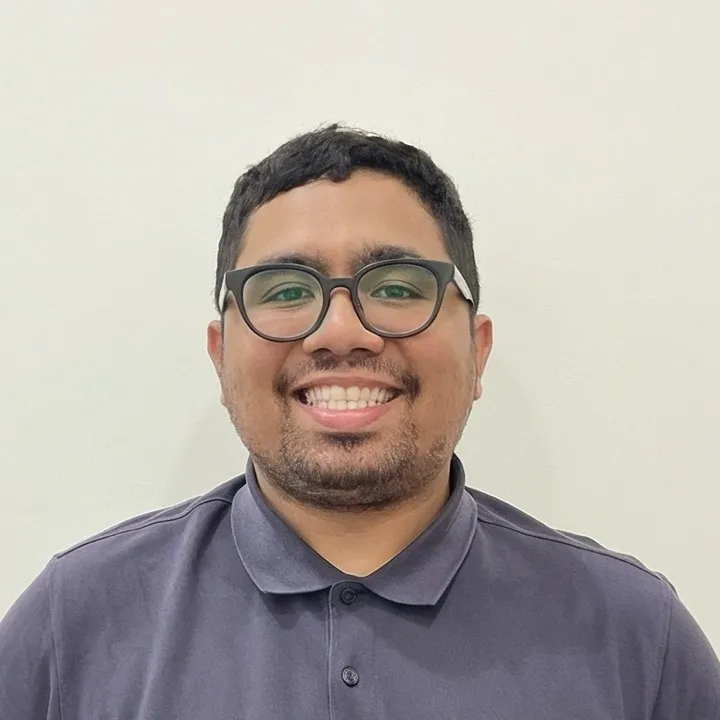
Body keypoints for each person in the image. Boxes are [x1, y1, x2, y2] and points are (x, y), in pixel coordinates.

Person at [1, 125, 718, 719]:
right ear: (220, 357)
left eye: (398, 287)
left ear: (477, 351)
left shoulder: (636, 637)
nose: (341, 330)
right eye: (286, 290)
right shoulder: (75, 622)